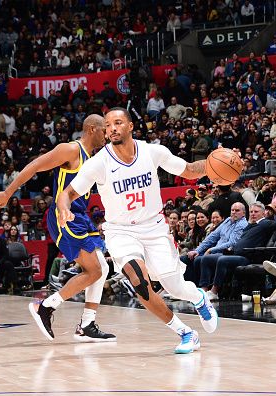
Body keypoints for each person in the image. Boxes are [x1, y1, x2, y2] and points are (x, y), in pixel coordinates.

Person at [56, 108, 217, 354]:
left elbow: (188, 170)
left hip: (154, 228)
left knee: (174, 287)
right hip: (120, 232)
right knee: (140, 283)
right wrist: (64, 208)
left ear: (130, 126)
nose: (112, 129)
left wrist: (215, 166)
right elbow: (67, 193)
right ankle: (186, 332)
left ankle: (198, 298)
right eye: (108, 125)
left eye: (118, 123)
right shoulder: (99, 163)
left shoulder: (153, 151)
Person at [0, 114, 116, 342]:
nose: (108, 134)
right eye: (105, 128)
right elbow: (35, 165)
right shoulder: (71, 150)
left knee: (102, 268)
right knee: (93, 270)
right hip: (64, 216)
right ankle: (45, 307)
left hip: (80, 216)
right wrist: (8, 193)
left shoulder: (93, 157)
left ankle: (87, 325)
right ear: (93, 129)